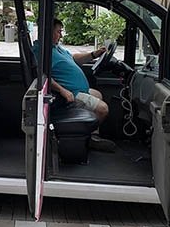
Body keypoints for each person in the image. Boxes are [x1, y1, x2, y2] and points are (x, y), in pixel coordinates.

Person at [33, 18, 116, 152]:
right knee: (103, 109)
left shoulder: (55, 48)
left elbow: (73, 58)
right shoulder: (41, 51)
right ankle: (89, 139)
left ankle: (92, 135)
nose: (61, 35)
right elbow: (43, 76)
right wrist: (62, 90)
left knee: (98, 94)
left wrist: (94, 54)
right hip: (69, 94)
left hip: (77, 90)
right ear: (48, 32)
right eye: (58, 32)